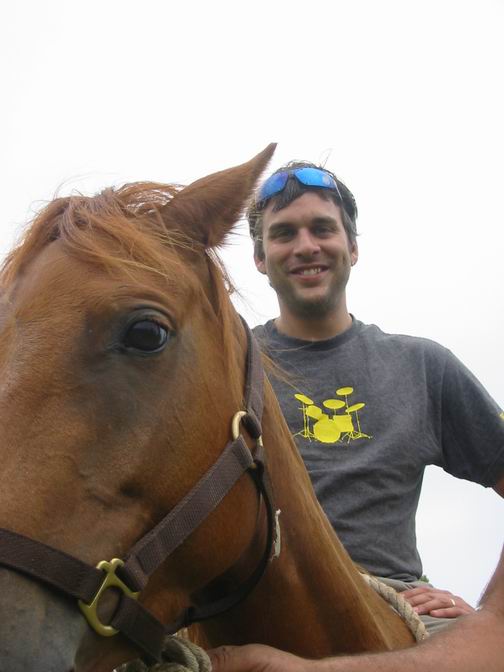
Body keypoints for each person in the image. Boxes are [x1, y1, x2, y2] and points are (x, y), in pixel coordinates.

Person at [208, 162, 504, 670]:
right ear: (260, 258)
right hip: (245, 610)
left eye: (323, 228)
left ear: (353, 247)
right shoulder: (225, 366)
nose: (306, 246)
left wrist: (488, 618)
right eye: (284, 234)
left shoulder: (422, 366)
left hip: (397, 607)